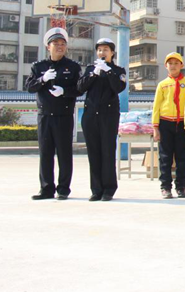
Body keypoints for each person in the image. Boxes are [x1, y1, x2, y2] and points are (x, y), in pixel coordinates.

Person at [27, 27, 82, 200]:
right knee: (45, 154)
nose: (60, 47)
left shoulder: (72, 67)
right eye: (56, 44)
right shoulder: (38, 67)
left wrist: (64, 91)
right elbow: (29, 87)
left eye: (63, 44)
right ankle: (46, 188)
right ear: (48, 46)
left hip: (63, 116)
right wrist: (42, 79)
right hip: (45, 116)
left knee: (64, 154)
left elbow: (79, 89)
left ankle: (63, 188)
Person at [77, 38, 127, 201]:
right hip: (90, 115)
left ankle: (109, 189)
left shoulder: (118, 70)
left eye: (106, 49)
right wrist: (93, 74)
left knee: (107, 151)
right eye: (99, 50)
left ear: (112, 53)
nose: (102, 52)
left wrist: (108, 71)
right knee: (93, 153)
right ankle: (96, 189)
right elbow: (80, 87)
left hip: (109, 115)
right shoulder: (91, 68)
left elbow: (119, 87)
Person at [151, 52, 185, 199]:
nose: (173, 66)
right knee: (165, 157)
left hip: (182, 123)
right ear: (166, 66)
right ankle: (165, 187)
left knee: (182, 157)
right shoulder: (162, 85)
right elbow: (156, 107)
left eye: (176, 63)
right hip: (165, 123)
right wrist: (156, 128)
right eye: (170, 63)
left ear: (182, 65)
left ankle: (181, 187)